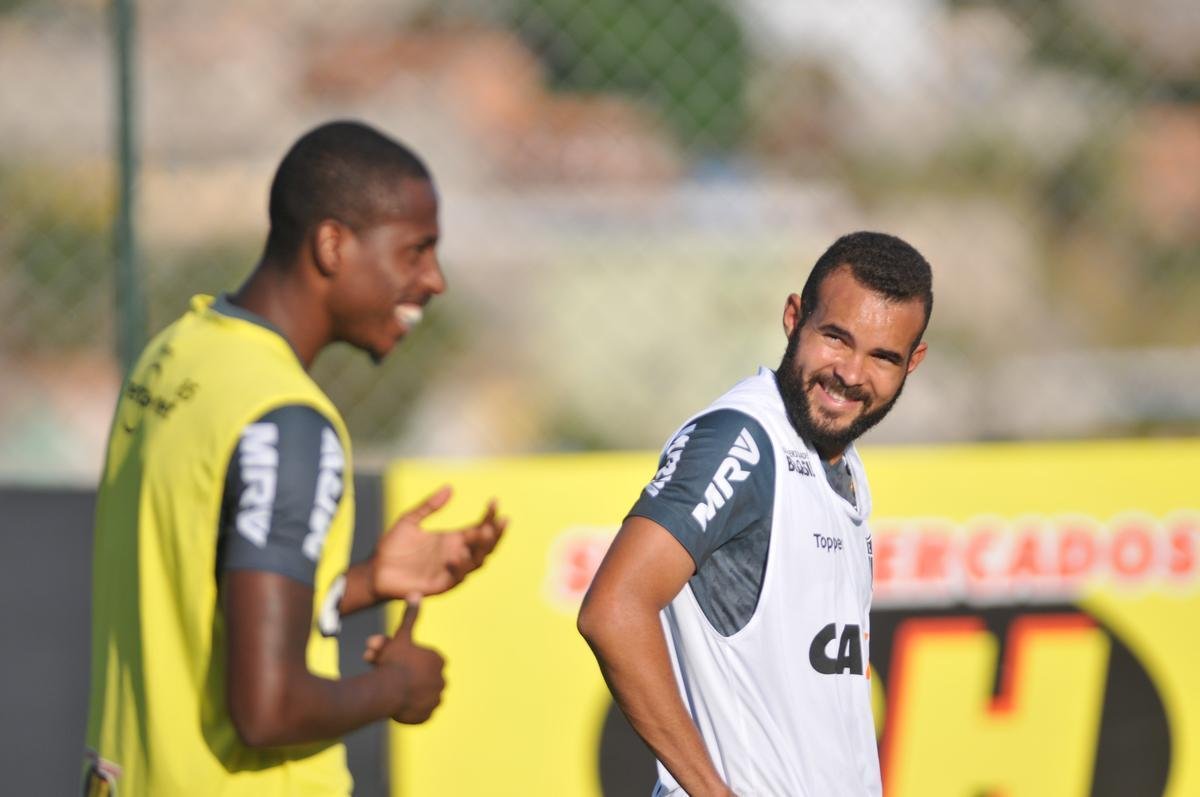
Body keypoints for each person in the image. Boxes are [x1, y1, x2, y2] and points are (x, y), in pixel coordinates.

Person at [84, 120, 507, 796]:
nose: (436, 279)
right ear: (333, 244)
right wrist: (400, 684)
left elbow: (195, 595)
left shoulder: (173, 354)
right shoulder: (289, 423)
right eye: (416, 250)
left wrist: (363, 582)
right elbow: (267, 707)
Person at [578, 231, 932, 797]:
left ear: (913, 362)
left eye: (882, 356)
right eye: (836, 338)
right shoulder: (743, 439)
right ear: (794, 317)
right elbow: (613, 609)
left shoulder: (840, 459)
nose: (850, 373)